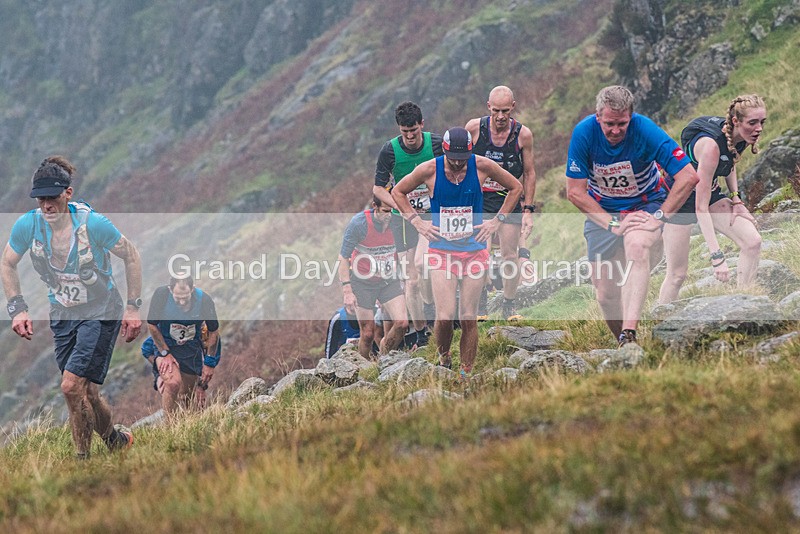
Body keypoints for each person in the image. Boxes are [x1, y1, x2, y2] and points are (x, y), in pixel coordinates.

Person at [0, 155, 142, 459]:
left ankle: (82, 461)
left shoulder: (93, 224)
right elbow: (8, 262)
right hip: (63, 314)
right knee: (86, 392)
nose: (46, 205)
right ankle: (115, 441)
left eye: (52, 197)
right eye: (40, 199)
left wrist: (132, 308)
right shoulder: (29, 225)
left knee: (70, 386)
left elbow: (131, 256)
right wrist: (17, 307)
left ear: (68, 193)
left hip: (100, 310)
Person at [565, 86, 699, 346]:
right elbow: (575, 192)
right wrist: (613, 223)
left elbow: (689, 175)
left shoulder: (644, 129)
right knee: (605, 295)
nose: (616, 131)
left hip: (644, 204)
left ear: (631, 117)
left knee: (636, 246)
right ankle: (623, 345)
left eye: (622, 124)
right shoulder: (584, 133)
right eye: (609, 124)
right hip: (604, 210)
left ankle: (630, 332)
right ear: (598, 117)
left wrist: (660, 217)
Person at [392, 127, 522, 378]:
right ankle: (444, 356)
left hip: (474, 250)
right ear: (445, 153)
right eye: (453, 161)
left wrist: (497, 221)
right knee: (444, 316)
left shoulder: (483, 166)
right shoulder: (430, 169)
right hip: (442, 250)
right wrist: (417, 222)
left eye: (463, 162)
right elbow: (398, 191)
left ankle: (466, 372)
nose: (458, 166)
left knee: (468, 317)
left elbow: (515, 187)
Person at [658, 95, 766, 303]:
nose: (759, 128)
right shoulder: (710, 148)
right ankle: (658, 324)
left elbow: (730, 161)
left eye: (762, 122)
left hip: (708, 191)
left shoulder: (739, 136)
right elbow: (700, 207)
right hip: (679, 200)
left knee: (752, 242)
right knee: (677, 275)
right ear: (736, 121)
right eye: (753, 122)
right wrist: (717, 257)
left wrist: (737, 200)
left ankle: (744, 301)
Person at [373, 101, 443, 346]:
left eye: (414, 130)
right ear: (399, 129)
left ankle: (432, 312)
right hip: (402, 220)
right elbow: (378, 188)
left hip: (430, 216)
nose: (411, 136)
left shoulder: (435, 144)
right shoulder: (389, 151)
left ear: (421, 125)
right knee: (410, 280)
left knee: (422, 263)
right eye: (405, 132)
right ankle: (422, 332)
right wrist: (397, 205)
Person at [466, 85, 537, 320]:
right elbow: (459, 165)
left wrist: (528, 210)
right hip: (480, 200)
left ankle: (509, 306)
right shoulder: (474, 128)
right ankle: (482, 305)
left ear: (513, 108)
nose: (500, 117)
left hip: (510, 198)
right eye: (495, 110)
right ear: (488, 107)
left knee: (509, 254)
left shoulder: (523, 135)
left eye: (505, 111)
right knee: (480, 253)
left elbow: (529, 172)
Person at [337, 197, 409, 360]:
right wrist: (347, 290)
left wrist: (405, 277)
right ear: (374, 207)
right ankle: (362, 369)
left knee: (402, 323)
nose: (388, 216)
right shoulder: (359, 224)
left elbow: (403, 252)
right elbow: (343, 258)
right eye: (385, 211)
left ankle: (383, 358)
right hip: (362, 283)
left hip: (388, 280)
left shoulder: (397, 222)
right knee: (368, 333)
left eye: (391, 211)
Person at [146, 276, 220, 414]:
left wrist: (210, 362)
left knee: (187, 396)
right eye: (177, 297)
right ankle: (170, 428)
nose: (181, 301)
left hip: (190, 350)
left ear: (192, 289)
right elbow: (152, 325)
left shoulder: (204, 300)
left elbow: (214, 332)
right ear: (170, 290)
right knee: (173, 383)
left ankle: (186, 424)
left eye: (185, 297)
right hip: (166, 345)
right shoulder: (161, 295)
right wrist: (164, 353)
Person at [142, 321, 221, 408]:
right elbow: (146, 348)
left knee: (194, 402)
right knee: (174, 387)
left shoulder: (213, 341)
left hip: (194, 372)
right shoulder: (170, 331)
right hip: (174, 367)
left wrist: (202, 386)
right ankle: (172, 419)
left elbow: (209, 368)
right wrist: (160, 375)